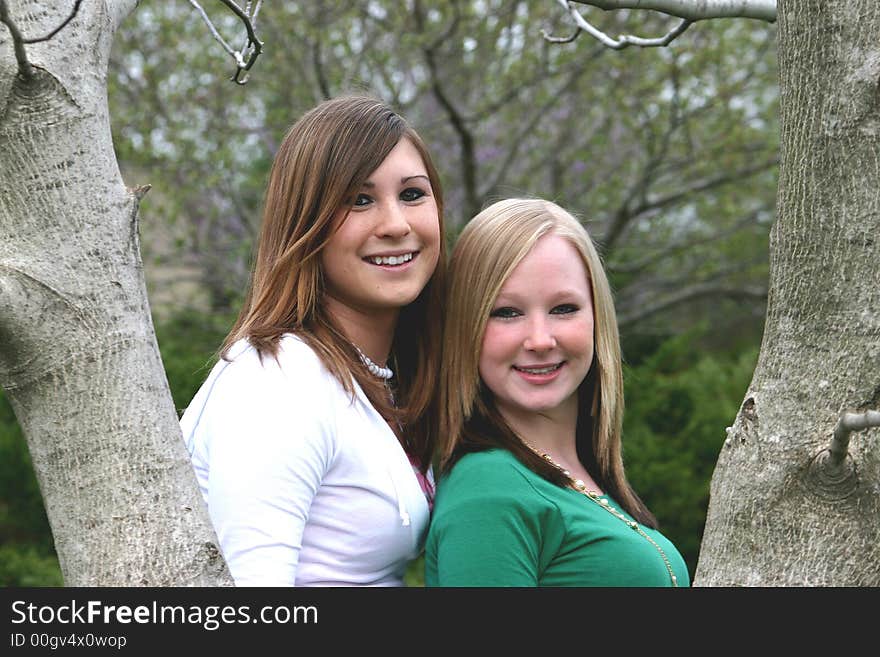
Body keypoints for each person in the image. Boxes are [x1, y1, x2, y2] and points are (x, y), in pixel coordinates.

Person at [180, 94, 446, 586]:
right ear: (307, 223)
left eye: (412, 194)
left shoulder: (387, 373)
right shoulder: (279, 383)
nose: (396, 224)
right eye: (359, 200)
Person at [425, 198, 689, 587]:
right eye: (506, 312)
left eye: (564, 309)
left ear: (597, 316)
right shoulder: (489, 493)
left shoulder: (580, 475)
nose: (540, 339)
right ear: (466, 327)